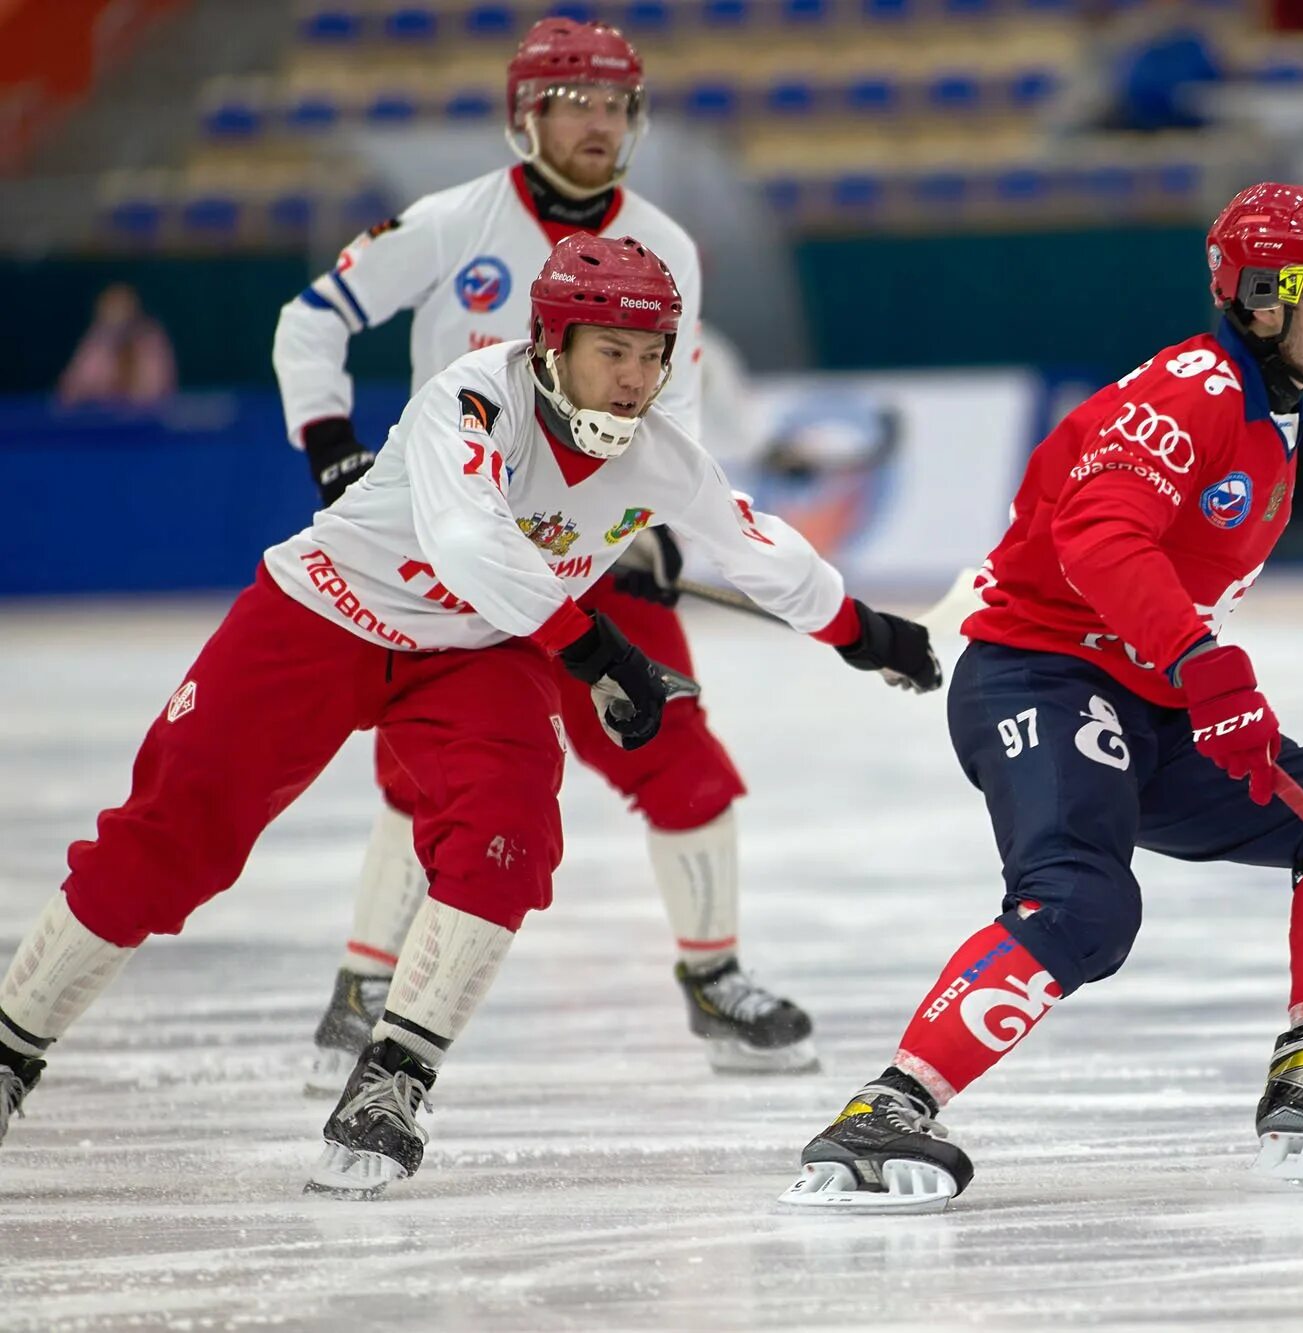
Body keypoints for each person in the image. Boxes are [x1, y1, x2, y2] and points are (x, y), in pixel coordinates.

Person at [0, 235, 941, 1199]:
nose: (635, 377)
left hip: (477, 654)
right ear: (550, 341)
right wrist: (600, 650)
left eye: (653, 352)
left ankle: (394, 1075)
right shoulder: (475, 396)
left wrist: (861, 630)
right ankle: (10, 1050)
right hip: (324, 611)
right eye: (610, 351)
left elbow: (755, 547)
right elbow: (467, 542)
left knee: (508, 836)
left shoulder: (660, 454)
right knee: (169, 837)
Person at [778, 183, 1303, 1213]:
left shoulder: (1268, 405)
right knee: (1082, 902)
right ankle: (884, 1111)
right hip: (1039, 677)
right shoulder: (1190, 389)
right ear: (1264, 296)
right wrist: (1201, 665)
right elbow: (1095, 538)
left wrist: (1197, 689)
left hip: (1143, 700)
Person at [272, 18, 818, 1088]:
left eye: (616, 103)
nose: (599, 123)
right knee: (420, 777)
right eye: (577, 102)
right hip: (452, 562)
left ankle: (715, 978)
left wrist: (659, 521)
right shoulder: (450, 222)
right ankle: (364, 988)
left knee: (683, 758)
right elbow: (311, 324)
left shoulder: (667, 244)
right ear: (528, 115)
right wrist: (332, 447)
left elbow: (683, 401)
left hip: (596, 548)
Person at [56, 283, 176, 408]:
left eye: (122, 310)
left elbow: (152, 393)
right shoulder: (97, 342)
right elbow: (69, 392)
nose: (116, 319)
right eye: (110, 312)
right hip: (102, 420)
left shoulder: (150, 341)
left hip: (146, 423)